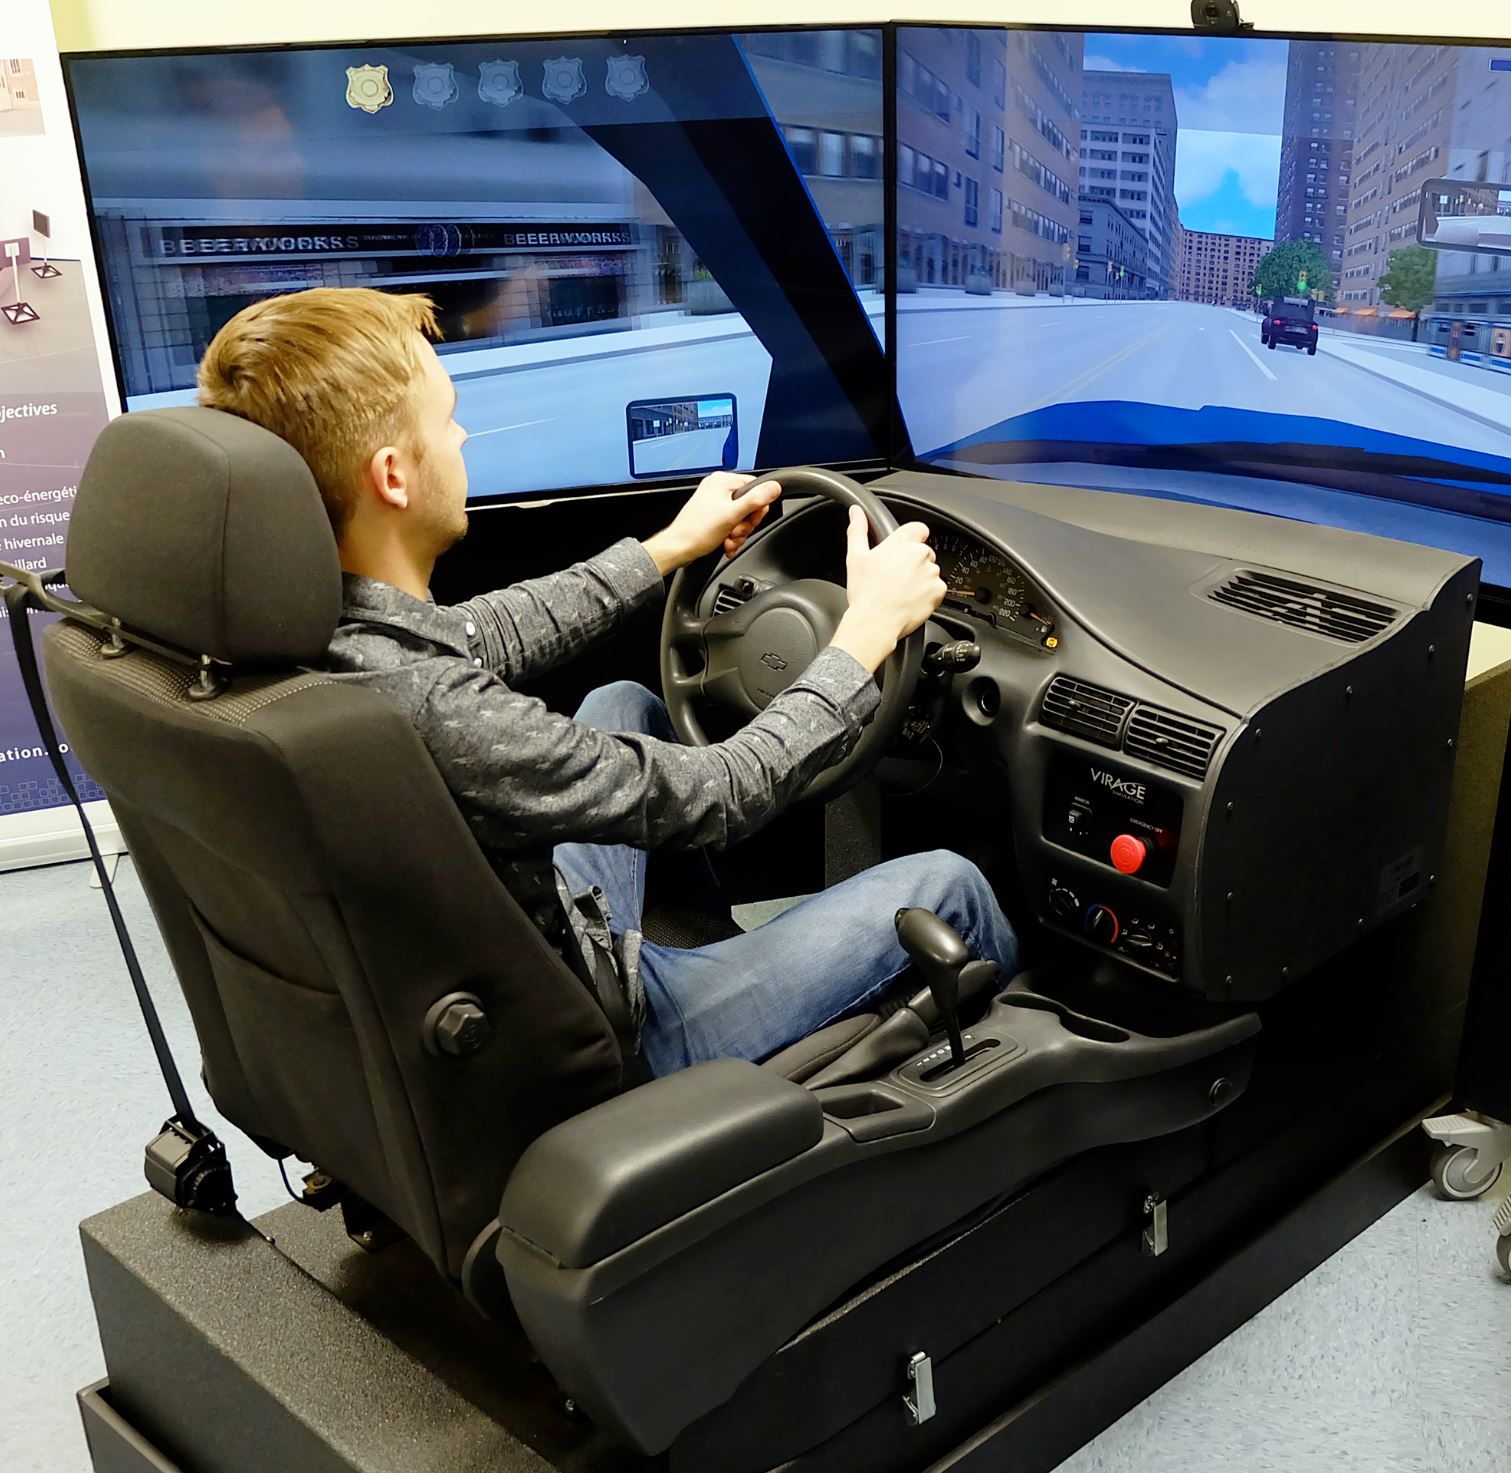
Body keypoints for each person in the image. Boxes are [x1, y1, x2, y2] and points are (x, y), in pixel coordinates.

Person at [194, 286, 1016, 1073]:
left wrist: (670, 547)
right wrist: (864, 633)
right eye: (446, 421)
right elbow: (720, 789)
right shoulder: (434, 709)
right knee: (949, 885)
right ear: (392, 477)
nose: (462, 438)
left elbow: (487, 631)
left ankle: (722, 954)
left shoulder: (309, 632)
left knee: (623, 704)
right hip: (591, 1036)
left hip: (495, 969)